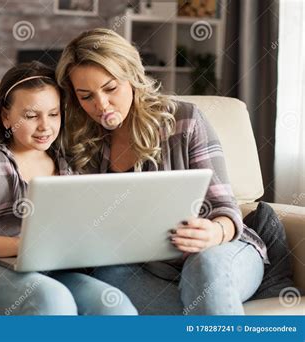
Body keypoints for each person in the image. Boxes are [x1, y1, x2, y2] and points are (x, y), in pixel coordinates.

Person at [55, 28, 268, 315]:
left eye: (110, 88)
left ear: (132, 77)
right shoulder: (79, 141)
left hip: (218, 250)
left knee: (204, 268)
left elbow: (225, 209)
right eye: (86, 96)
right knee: (106, 281)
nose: (101, 105)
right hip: (141, 267)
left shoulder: (184, 120)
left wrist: (214, 233)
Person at [0, 61, 137, 315]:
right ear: (6, 117)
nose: (45, 126)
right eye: (30, 116)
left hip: (58, 272)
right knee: (52, 300)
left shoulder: (72, 166)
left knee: (114, 304)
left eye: (53, 114)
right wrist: (23, 245)